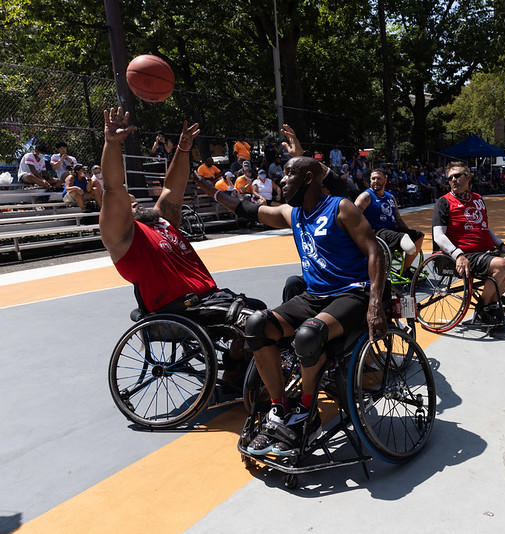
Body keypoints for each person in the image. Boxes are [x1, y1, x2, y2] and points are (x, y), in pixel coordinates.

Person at [192, 124, 386, 457]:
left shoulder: (341, 207)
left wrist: (375, 303)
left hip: (352, 293)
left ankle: (306, 411)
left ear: (308, 178)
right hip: (316, 296)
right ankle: (281, 408)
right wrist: (210, 191)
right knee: (256, 325)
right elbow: (248, 208)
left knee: (309, 335)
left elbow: (375, 251)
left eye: (287, 175)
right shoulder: (293, 214)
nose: (281, 181)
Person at [99, 107, 266, 381]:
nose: (133, 200)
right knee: (254, 321)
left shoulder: (160, 222)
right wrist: (112, 144)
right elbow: (114, 187)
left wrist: (183, 149)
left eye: (134, 198)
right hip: (179, 308)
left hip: (207, 298)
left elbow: (171, 190)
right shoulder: (122, 237)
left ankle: (236, 365)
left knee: (258, 309)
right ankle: (238, 374)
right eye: (127, 202)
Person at [432, 161, 505, 324]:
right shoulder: (444, 202)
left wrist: (500, 244)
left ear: (468, 177)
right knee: (501, 265)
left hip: (486, 251)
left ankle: (491, 304)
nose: (453, 180)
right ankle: (482, 308)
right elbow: (438, 236)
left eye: (457, 175)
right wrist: (457, 254)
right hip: (464, 254)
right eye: (450, 178)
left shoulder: (478, 199)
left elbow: (484, 227)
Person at [355, 168, 424, 277]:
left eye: (378, 178)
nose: (375, 181)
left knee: (418, 235)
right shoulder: (365, 197)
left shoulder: (390, 197)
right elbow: (353, 217)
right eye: (373, 178)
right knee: (403, 238)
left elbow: (398, 218)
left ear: (385, 180)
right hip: (377, 232)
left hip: (392, 230)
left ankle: (405, 270)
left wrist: (408, 231)